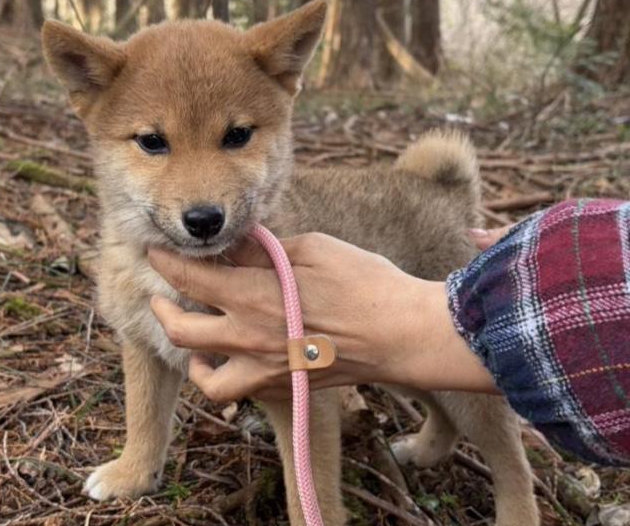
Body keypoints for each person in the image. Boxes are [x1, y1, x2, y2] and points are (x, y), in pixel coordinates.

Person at [148, 198, 630, 467]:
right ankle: (436, 437)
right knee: (422, 365)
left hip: (420, 224)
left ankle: (514, 488)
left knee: (468, 370)